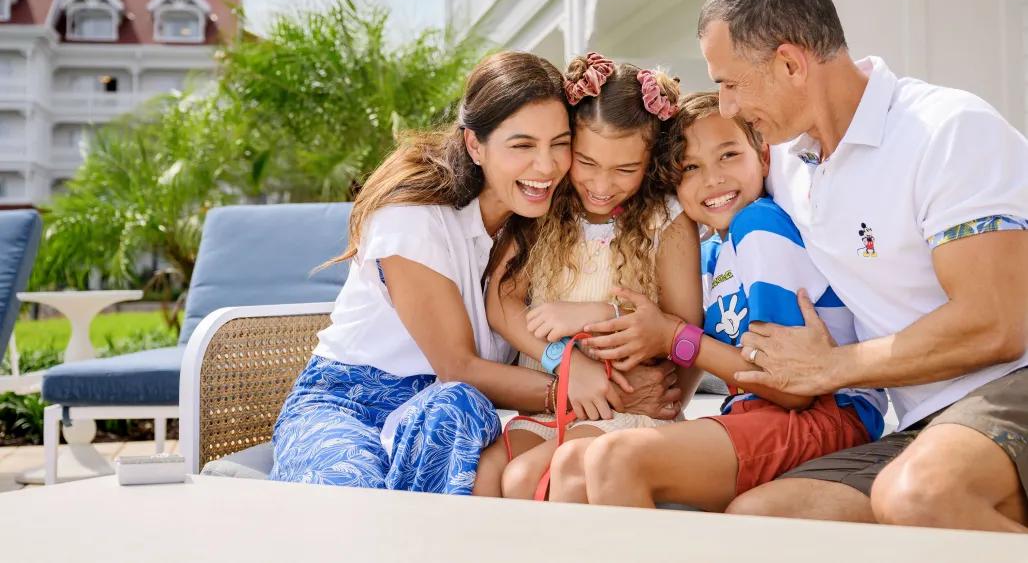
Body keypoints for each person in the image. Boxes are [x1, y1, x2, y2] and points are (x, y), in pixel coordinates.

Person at [698, 0, 1028, 532]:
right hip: (926, 419)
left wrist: (833, 367)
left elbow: (998, 323)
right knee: (764, 520)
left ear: (790, 63)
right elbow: (686, 191)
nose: (725, 107)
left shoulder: (947, 131)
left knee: (920, 496)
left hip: (1013, 382)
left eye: (729, 83)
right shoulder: (789, 166)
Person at [269, 51, 683, 495]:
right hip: (352, 404)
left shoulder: (545, 216)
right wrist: (581, 383)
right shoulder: (414, 217)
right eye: (522, 146)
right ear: (475, 145)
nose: (545, 166)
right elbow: (458, 366)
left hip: (459, 414)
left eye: (559, 144)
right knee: (351, 491)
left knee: (456, 409)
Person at [564, 91, 886, 509]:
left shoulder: (760, 225)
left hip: (828, 413)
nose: (712, 179)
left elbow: (789, 386)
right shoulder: (715, 255)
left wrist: (673, 337)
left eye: (728, 155)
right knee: (573, 462)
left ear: (764, 159)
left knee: (616, 457)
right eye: (690, 167)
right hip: (757, 413)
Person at [479, 53, 701, 501]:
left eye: (625, 169)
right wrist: (562, 359)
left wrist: (595, 313)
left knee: (527, 480)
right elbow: (502, 304)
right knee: (489, 474)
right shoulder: (545, 205)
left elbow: (683, 328)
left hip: (624, 407)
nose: (602, 185)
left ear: (649, 161)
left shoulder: (665, 220)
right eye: (587, 163)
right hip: (554, 396)